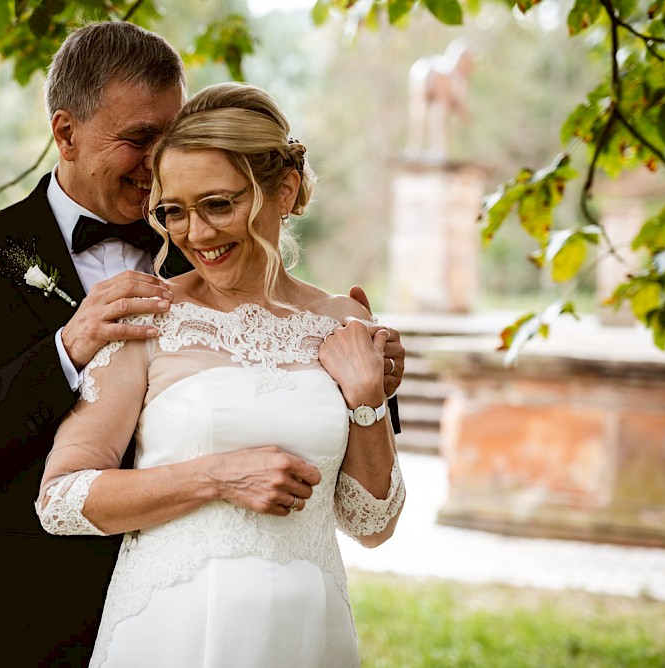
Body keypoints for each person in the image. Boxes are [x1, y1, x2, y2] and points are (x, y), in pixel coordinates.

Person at [0, 21, 405, 666]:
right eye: (139, 139)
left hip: (256, 622)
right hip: (23, 615)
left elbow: (348, 469)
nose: (160, 165)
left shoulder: (213, 247)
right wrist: (65, 349)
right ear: (65, 133)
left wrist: (377, 387)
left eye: (173, 136)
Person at [35, 81, 406, 667]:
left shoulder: (343, 323)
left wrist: (366, 400)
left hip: (305, 631)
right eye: (173, 211)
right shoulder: (149, 319)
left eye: (218, 204)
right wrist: (216, 476)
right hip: (173, 628)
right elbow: (59, 499)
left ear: (283, 192)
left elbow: (371, 523)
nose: (196, 234)